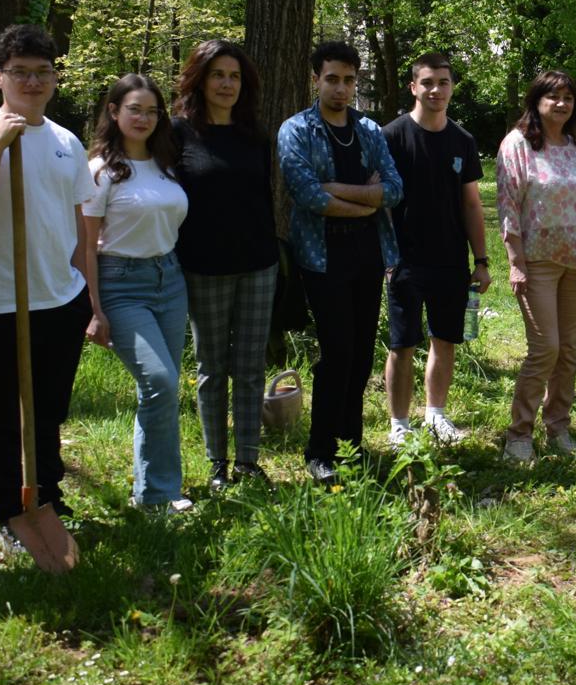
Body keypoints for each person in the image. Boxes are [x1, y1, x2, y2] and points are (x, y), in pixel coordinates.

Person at [0, 24, 98, 552]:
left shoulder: (65, 142)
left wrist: (82, 291)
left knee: (49, 411)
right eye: (20, 72)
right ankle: (11, 509)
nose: (33, 82)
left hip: (59, 297)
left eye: (42, 72)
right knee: (6, 413)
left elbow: (77, 223)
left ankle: (47, 497)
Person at [277, 41, 405, 480]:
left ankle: (351, 446)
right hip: (321, 256)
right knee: (337, 353)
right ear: (316, 79)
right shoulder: (297, 130)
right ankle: (320, 451)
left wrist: (338, 191)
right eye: (332, 79)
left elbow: (394, 189)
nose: (341, 88)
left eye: (349, 80)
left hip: (367, 254)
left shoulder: (368, 130)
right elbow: (308, 196)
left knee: (362, 354)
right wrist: (366, 201)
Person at [172, 39, 279, 490]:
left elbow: (264, 198)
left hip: (258, 264)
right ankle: (217, 463)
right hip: (204, 267)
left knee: (251, 369)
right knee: (212, 370)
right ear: (199, 80)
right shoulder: (177, 134)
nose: (226, 84)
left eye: (234, 76)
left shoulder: (255, 135)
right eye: (218, 74)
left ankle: (248, 462)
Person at [84, 74, 192, 511]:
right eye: (134, 109)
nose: (144, 118)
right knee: (160, 381)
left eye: (152, 111)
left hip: (170, 278)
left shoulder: (166, 164)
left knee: (161, 388)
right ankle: (157, 494)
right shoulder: (101, 171)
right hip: (121, 283)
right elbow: (85, 246)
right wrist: (93, 309)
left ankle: (156, 490)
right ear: (114, 112)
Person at [382, 54, 490, 447]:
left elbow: (472, 205)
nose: (435, 90)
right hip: (404, 261)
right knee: (402, 344)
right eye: (427, 82)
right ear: (413, 87)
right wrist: (385, 258)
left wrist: (481, 261)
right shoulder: (391, 136)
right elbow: (379, 202)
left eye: (443, 82)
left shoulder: (463, 140)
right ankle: (399, 424)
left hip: (450, 260)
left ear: (452, 87)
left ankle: (435, 415)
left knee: (445, 340)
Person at [496, 70, 576, 462]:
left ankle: (559, 428)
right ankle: (519, 435)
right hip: (537, 262)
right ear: (536, 100)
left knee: (568, 351)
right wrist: (515, 262)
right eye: (553, 96)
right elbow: (508, 205)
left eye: (568, 97)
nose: (562, 103)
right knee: (545, 349)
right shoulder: (517, 144)